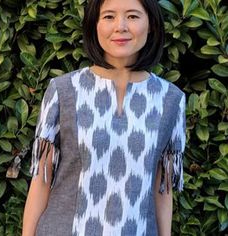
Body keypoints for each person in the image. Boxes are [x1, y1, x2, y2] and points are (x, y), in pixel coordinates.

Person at [22, 0, 186, 235]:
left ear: (150, 24)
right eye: (109, 16)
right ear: (94, 25)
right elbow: (41, 181)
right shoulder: (63, 90)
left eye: (132, 16)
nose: (120, 26)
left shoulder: (171, 100)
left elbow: (162, 191)